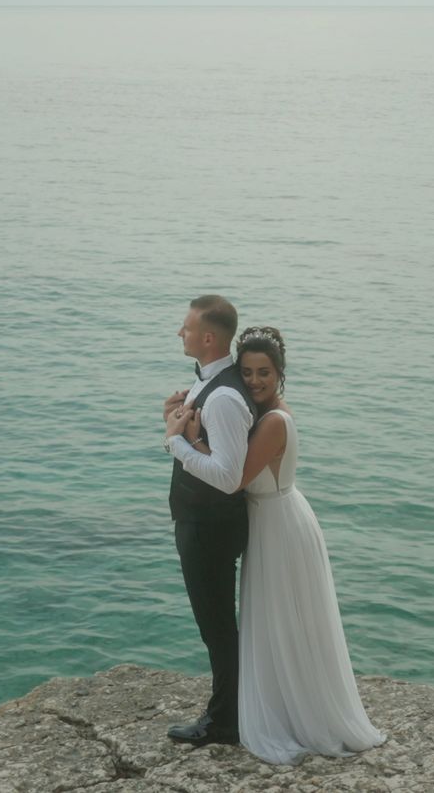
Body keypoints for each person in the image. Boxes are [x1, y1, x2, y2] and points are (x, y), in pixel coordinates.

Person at [167, 325, 386, 765]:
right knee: (278, 619)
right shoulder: (259, 412)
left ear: (280, 373)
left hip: (279, 524)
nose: (254, 381)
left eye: (264, 372)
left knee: (285, 618)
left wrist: (182, 438)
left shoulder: (272, 422)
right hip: (273, 519)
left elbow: (235, 480)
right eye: (246, 372)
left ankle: (286, 715)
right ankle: (280, 702)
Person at [160, 295, 257, 747]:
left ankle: (224, 722)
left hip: (210, 529)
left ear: (209, 337)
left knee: (216, 627)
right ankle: (230, 712)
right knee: (215, 625)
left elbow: (227, 477)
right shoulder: (207, 387)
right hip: (202, 524)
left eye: (186, 327)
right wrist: (175, 420)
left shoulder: (222, 399)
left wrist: (173, 442)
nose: (180, 332)